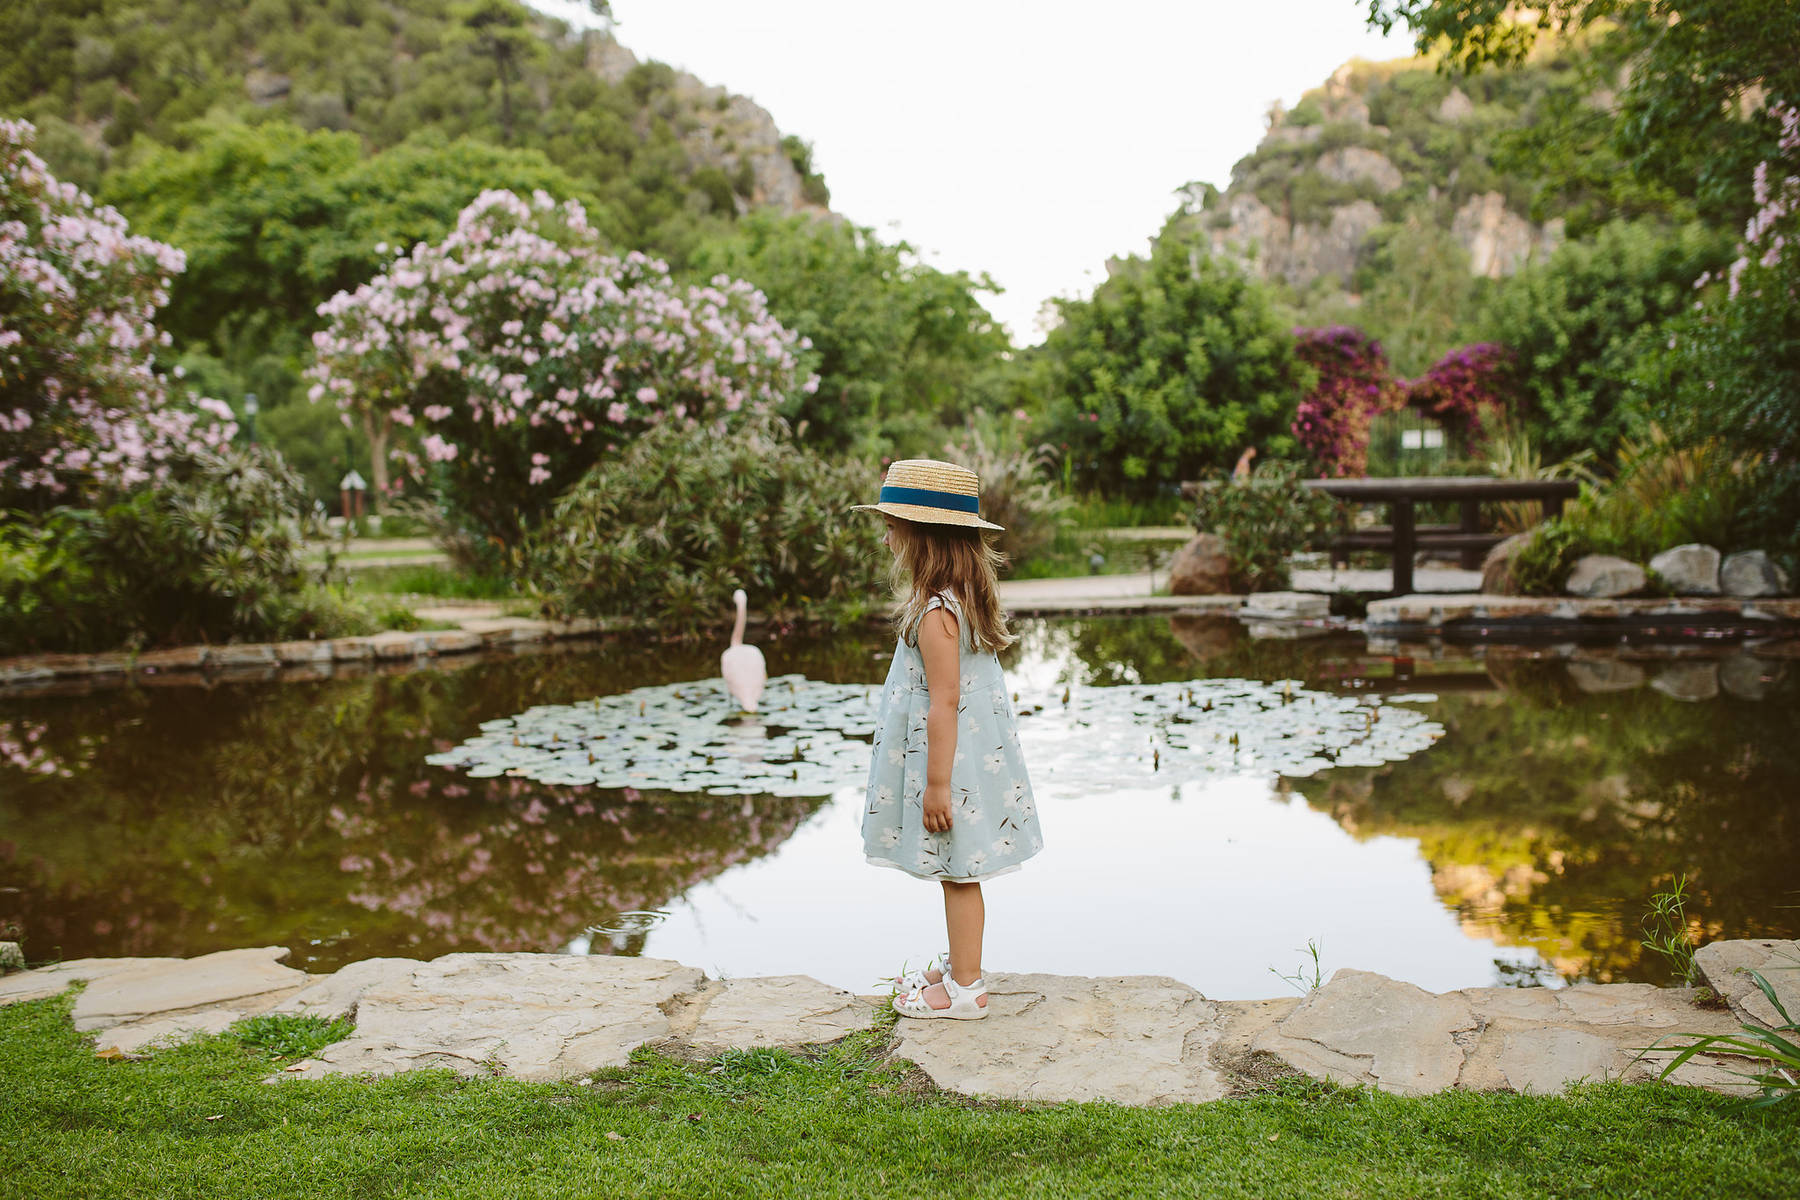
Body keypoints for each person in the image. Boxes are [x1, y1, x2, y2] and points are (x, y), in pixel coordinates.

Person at [852, 459, 1043, 1020]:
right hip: (969, 759)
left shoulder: (938, 614)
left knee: (959, 874)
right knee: (958, 870)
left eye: (893, 524)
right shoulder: (960, 597)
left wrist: (935, 786)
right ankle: (962, 963)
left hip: (951, 766)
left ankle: (965, 990)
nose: (886, 535)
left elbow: (944, 703)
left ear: (922, 537)